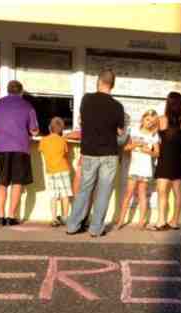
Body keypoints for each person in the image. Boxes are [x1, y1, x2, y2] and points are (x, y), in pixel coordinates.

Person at [66, 69, 125, 238]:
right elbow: (120, 132)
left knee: (84, 189)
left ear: (98, 82)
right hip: (109, 153)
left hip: (89, 152)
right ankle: (96, 228)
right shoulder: (117, 106)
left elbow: (81, 121)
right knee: (104, 191)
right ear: (112, 85)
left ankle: (72, 225)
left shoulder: (86, 99)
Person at [0, 80, 39, 226]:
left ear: (8, 90)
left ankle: (0, 216)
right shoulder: (28, 106)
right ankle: (11, 216)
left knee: (2, 182)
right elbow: (34, 130)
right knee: (17, 182)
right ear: (21, 92)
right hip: (20, 148)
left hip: (1, 147)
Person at [151, 91, 181, 231]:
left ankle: (161, 221)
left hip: (166, 157)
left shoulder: (162, 119)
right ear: (180, 103)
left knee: (162, 191)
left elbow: (152, 133)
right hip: (179, 157)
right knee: (177, 191)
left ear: (168, 102)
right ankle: (174, 221)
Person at [117, 109, 160, 229]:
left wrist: (149, 151)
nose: (149, 123)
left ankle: (141, 222)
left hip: (146, 169)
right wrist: (134, 145)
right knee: (128, 194)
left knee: (142, 194)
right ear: (142, 119)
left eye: (152, 121)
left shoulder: (154, 135)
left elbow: (157, 153)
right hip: (134, 167)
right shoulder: (134, 131)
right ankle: (121, 220)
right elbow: (125, 148)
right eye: (147, 120)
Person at [39, 117, 73, 227]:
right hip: (63, 170)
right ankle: (65, 217)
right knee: (65, 195)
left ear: (49, 128)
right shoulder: (62, 140)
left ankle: (54, 218)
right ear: (62, 129)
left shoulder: (43, 140)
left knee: (53, 196)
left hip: (51, 171)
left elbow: (41, 150)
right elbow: (65, 153)